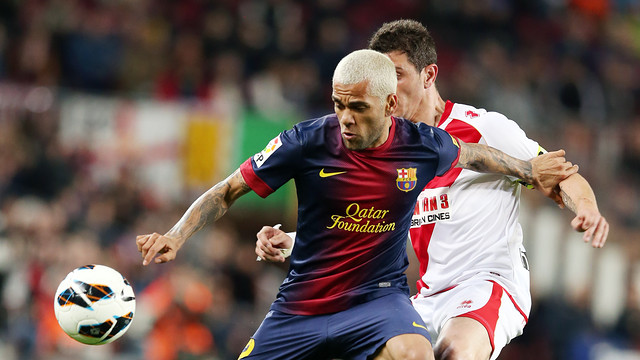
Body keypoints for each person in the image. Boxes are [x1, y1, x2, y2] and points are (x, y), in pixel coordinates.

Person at [136, 49, 575, 360]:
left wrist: (528, 170)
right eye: (339, 104)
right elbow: (227, 190)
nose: (345, 117)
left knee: (418, 355)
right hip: (302, 305)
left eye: (358, 107)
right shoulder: (305, 141)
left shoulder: (421, 145)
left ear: (389, 105)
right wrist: (176, 236)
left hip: (377, 301)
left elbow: (476, 154)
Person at [254, 20, 609, 360]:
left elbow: (560, 175)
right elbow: (364, 229)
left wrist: (587, 208)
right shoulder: (385, 150)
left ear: (429, 75)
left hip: (487, 283)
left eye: (396, 75)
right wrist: (293, 240)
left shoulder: (485, 129)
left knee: (454, 353)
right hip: (423, 298)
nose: (386, 88)